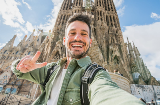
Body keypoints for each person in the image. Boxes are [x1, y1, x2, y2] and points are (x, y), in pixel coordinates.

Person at [11, 14, 145, 105]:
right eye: (72, 33)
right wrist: (20, 64)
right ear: (64, 40)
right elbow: (18, 71)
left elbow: (106, 91)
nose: (77, 38)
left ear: (90, 42)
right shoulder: (49, 69)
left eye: (83, 34)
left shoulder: (96, 74)